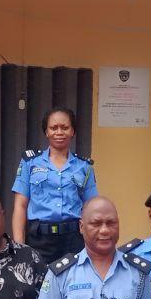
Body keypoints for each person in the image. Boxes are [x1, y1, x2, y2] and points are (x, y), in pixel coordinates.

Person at [11, 106, 98, 266]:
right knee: (39, 287)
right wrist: (19, 247)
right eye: (54, 128)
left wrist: (93, 244)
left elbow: (92, 208)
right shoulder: (30, 162)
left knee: (74, 287)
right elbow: (20, 206)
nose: (59, 132)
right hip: (39, 240)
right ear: (46, 132)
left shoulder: (84, 166)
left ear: (72, 131)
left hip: (74, 239)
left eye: (65, 128)